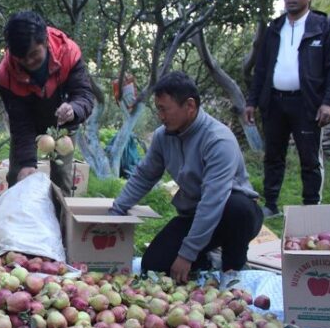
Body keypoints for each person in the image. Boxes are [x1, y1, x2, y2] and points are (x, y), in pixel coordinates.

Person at [109, 72, 263, 285]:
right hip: (195, 214)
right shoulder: (164, 136)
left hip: (230, 214)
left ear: (189, 106)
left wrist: (187, 254)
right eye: (158, 109)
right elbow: (144, 176)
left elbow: (213, 201)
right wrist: (116, 210)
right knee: (153, 265)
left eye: (165, 109)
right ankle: (206, 260)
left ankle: (232, 268)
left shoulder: (218, 140)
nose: (161, 116)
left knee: (239, 208)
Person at [245, 0, 330, 218]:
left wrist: (329, 102)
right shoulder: (275, 28)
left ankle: (311, 208)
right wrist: (252, 101)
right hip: (275, 102)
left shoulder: (322, 27)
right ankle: (271, 204)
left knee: (309, 158)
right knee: (273, 156)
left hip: (306, 103)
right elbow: (262, 68)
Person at [0, 11, 94, 195]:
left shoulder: (68, 53)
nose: (29, 62)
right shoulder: (5, 75)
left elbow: (84, 95)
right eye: (22, 58)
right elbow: (20, 122)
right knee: (18, 176)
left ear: (46, 42)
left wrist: (74, 109)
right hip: (29, 126)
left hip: (63, 124)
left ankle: (61, 222)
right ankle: (18, 221)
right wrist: (27, 163)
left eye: (34, 54)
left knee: (61, 177)